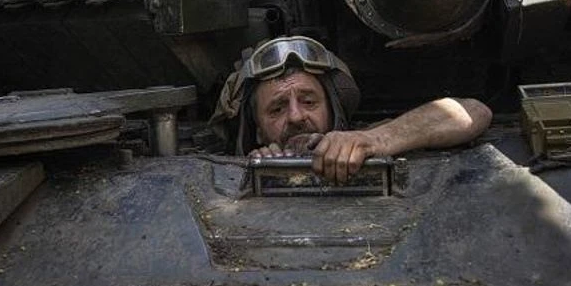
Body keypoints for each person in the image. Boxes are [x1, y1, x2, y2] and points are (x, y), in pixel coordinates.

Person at [210, 36, 493, 185]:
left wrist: (374, 141)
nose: (296, 117)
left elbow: (473, 112)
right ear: (257, 128)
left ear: (334, 110)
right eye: (277, 109)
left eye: (309, 102)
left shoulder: (367, 141)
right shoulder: (232, 172)